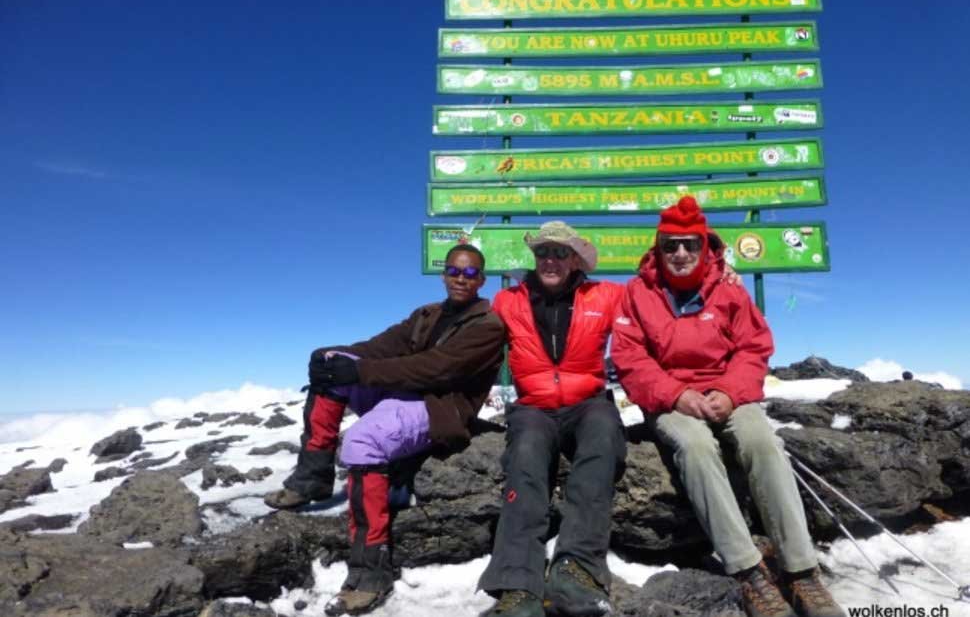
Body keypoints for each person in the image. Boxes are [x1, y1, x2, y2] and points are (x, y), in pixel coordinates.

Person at [611, 196, 845, 617]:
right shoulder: (636, 293)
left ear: (705, 247)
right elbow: (630, 357)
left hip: (727, 393)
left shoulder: (728, 288)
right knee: (696, 448)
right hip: (671, 398)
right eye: (670, 245)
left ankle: (801, 571)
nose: (680, 253)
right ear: (658, 248)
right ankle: (748, 570)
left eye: (690, 244)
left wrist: (732, 392)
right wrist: (676, 395)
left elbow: (754, 347)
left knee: (763, 442)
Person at [263, 243, 505, 616]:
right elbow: (381, 346)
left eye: (470, 273)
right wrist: (333, 356)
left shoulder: (488, 326)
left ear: (481, 280)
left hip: (440, 409)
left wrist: (360, 372)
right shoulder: (427, 314)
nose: (461, 278)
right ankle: (311, 479)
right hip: (401, 393)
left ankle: (370, 572)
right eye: (454, 271)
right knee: (331, 370)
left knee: (361, 441)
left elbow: (436, 368)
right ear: (444, 274)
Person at [477, 221, 627, 617]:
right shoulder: (506, 301)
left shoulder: (608, 295)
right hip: (534, 407)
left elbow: (657, 300)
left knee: (602, 437)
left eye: (561, 252)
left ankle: (575, 569)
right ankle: (517, 585)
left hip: (588, 402)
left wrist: (723, 274)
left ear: (575, 259)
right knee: (524, 457)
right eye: (543, 251)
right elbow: (471, 340)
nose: (550, 259)